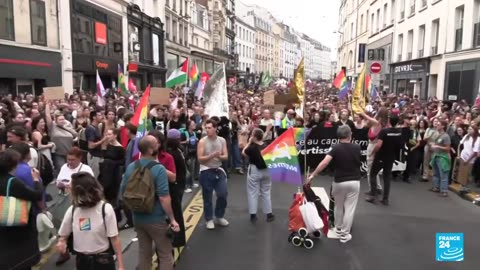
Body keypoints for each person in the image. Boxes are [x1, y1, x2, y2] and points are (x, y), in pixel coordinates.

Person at [120, 135, 179, 270]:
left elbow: (123, 191)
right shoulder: (159, 168)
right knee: (165, 254)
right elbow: (164, 197)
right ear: (151, 150)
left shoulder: (131, 166)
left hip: (138, 217)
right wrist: (172, 219)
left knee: (144, 253)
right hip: (156, 217)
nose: (159, 145)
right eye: (156, 144)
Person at [56, 172, 125, 270]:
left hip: (103, 261)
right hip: (82, 262)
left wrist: (121, 266)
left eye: (71, 188)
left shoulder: (105, 209)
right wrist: (62, 241)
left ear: (80, 192)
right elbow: (63, 235)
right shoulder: (73, 210)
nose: (68, 190)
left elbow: (115, 239)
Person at [307, 125, 361, 243]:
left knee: (338, 206)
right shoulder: (357, 147)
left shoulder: (335, 148)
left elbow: (325, 163)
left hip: (339, 181)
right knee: (349, 208)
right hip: (354, 181)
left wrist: (313, 174)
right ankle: (344, 235)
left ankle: (338, 228)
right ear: (349, 135)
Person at [0, 149, 45, 270]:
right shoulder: (13, 182)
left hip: (3, 231)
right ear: (14, 165)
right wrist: (36, 180)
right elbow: (37, 195)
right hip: (16, 229)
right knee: (20, 260)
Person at [197, 119, 229, 230]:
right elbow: (200, 159)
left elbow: (226, 156)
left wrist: (219, 156)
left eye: (210, 128)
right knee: (207, 197)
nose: (207, 130)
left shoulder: (222, 140)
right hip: (206, 170)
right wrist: (211, 156)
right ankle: (209, 219)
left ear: (215, 128)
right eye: (206, 128)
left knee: (223, 193)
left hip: (218, 169)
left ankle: (219, 216)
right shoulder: (202, 141)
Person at [366, 115, 403, 206]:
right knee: (387, 178)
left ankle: (373, 196)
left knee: (373, 174)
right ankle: (385, 199)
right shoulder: (399, 132)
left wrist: (372, 153)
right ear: (397, 122)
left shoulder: (384, 131)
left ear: (389, 121)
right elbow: (400, 145)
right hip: (390, 157)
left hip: (381, 157)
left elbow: (378, 145)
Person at [242, 128, 274, 223]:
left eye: (252, 135)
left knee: (252, 192)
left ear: (254, 137)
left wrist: (248, 142)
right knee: (266, 192)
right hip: (267, 170)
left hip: (254, 170)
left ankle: (253, 215)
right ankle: (269, 214)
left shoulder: (251, 147)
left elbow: (243, 153)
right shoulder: (267, 146)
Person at [430, 120, 451, 197]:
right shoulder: (437, 134)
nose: (437, 125)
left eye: (438, 124)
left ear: (443, 126)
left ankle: (444, 191)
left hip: (442, 157)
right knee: (436, 173)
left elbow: (448, 148)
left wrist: (437, 146)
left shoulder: (446, 136)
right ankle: (436, 187)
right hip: (435, 156)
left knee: (443, 174)